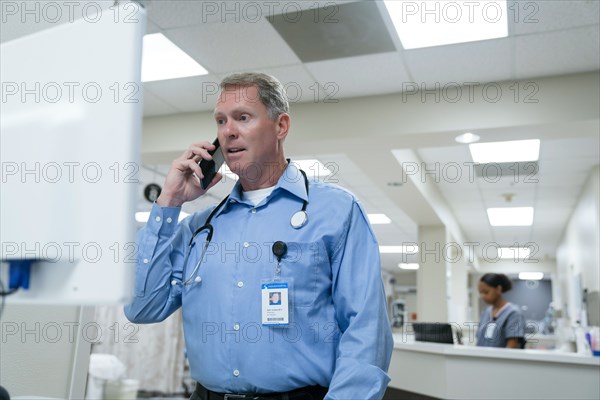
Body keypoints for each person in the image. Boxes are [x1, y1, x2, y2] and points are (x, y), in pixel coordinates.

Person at [125, 72, 393, 399]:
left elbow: (366, 332)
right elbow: (141, 307)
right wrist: (168, 202)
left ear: (281, 126)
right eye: (221, 121)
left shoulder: (337, 212)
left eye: (243, 117)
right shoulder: (199, 228)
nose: (228, 131)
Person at [476, 273, 526, 348]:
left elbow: (512, 348)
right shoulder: (485, 313)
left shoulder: (513, 313)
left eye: (486, 292)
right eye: (480, 293)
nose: (482, 296)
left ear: (498, 289)